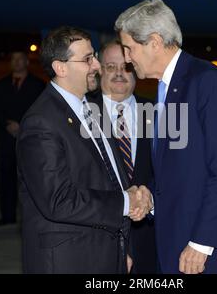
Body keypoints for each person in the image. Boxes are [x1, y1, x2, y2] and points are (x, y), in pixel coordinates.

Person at [114, 0, 217, 274]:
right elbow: (175, 163)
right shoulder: (166, 88)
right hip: (177, 239)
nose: (126, 58)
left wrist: (202, 242)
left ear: (155, 42)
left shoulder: (207, 82)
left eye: (129, 48)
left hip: (210, 252)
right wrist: (149, 194)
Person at [16, 26, 152, 273]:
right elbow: (58, 200)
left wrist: (124, 248)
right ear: (61, 68)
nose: (97, 66)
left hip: (107, 254)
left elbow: (109, 178)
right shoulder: (41, 122)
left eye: (95, 57)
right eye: (88, 59)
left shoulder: (90, 109)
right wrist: (125, 201)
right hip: (69, 260)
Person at [87, 40, 157, 273]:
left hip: (149, 239)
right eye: (110, 67)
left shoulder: (159, 113)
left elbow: (174, 173)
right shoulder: (81, 114)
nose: (119, 74)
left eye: (125, 67)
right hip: (98, 237)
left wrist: (151, 200)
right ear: (99, 71)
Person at [0, 51, 45, 226]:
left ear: (27, 62)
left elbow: (42, 109)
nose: (16, 62)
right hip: (5, 139)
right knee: (5, 180)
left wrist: (23, 125)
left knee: (31, 182)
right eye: (13, 59)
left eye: (20, 59)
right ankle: (7, 216)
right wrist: (8, 123)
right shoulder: (1, 84)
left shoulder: (38, 85)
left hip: (29, 140)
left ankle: (32, 219)